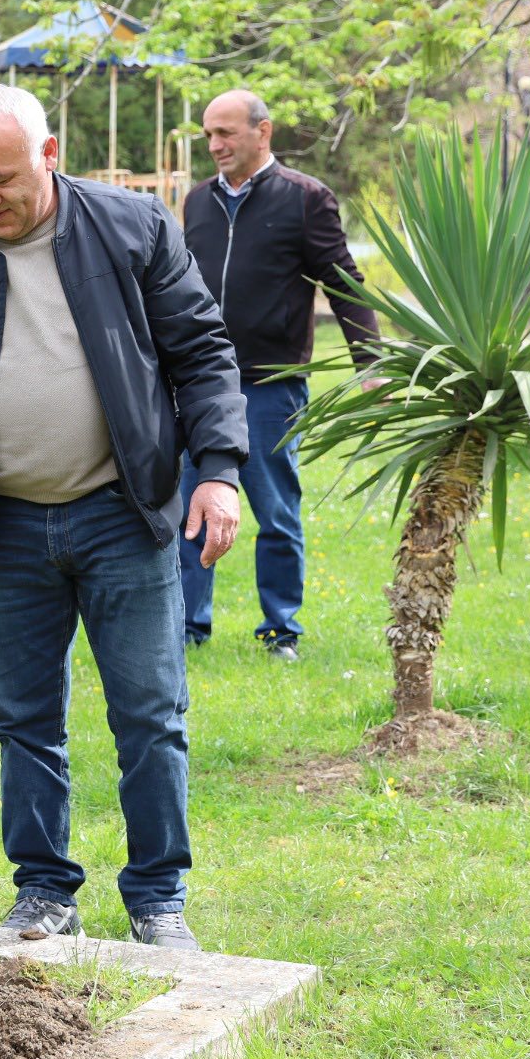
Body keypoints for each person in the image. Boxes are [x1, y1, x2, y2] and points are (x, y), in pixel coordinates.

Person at [0, 83, 248, 950]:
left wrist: (218, 472)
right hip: (4, 529)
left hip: (121, 514)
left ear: (50, 153)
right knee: (22, 720)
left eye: (1, 178)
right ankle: (43, 891)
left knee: (150, 713)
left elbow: (203, 354)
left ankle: (157, 897)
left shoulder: (131, 229)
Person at [180, 89, 381, 661]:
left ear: (262, 132)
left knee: (275, 512)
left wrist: (371, 363)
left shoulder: (305, 199)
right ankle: (189, 628)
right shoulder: (197, 202)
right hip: (199, 384)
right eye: (209, 135)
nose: (215, 145)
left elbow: (343, 282)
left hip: (271, 385)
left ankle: (280, 630)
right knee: (192, 505)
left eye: (227, 133)